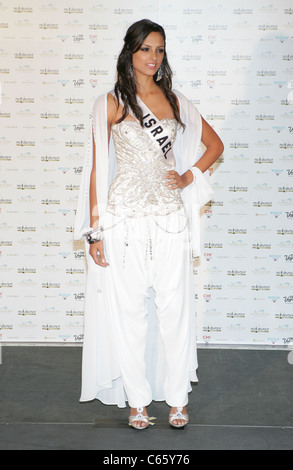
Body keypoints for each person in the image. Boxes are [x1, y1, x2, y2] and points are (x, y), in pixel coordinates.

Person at [74, 19, 224, 430]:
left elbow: (215, 145)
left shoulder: (175, 101)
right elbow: (97, 169)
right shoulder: (111, 102)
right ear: (130, 52)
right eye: (146, 49)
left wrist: (189, 176)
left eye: (159, 50)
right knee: (129, 314)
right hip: (122, 219)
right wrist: (95, 229)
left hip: (169, 219)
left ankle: (177, 399)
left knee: (174, 311)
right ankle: (138, 401)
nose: (153, 57)